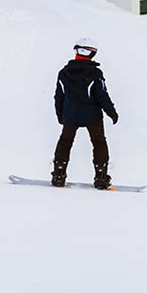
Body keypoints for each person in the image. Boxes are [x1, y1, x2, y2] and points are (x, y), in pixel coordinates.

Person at [51, 37, 119, 189]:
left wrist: (60, 115)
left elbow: (58, 96)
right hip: (92, 116)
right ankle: (101, 178)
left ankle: (58, 175)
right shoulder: (95, 73)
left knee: (65, 142)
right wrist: (112, 112)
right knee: (99, 142)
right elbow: (102, 96)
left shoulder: (63, 72)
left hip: (70, 115)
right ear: (92, 54)